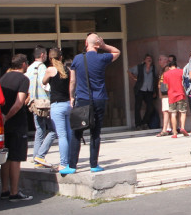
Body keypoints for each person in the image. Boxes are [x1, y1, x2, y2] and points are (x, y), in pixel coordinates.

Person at [69, 33, 120, 173]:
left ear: (86, 43)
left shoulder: (77, 59)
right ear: (97, 45)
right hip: (99, 98)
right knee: (95, 132)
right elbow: (117, 52)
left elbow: (72, 81)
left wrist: (71, 97)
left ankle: (72, 165)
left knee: (76, 132)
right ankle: (93, 164)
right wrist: (103, 46)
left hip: (82, 98)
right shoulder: (102, 58)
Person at [0, 54, 33, 202]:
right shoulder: (23, 79)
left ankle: (4, 190)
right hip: (17, 123)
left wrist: (3, 117)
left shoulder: (3, 78)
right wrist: (7, 116)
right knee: (15, 158)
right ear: (23, 64)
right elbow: (19, 103)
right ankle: (14, 192)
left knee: (6, 158)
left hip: (4, 125)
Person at [45, 48, 75, 176]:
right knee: (69, 134)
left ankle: (63, 163)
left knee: (62, 136)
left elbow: (43, 81)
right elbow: (72, 82)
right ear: (61, 57)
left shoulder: (50, 70)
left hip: (57, 105)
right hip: (67, 104)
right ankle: (71, 161)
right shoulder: (68, 70)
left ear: (50, 58)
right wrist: (71, 97)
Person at [26, 45, 55, 167]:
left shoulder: (29, 68)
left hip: (34, 103)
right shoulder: (42, 67)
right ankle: (40, 156)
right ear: (42, 55)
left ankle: (35, 157)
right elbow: (45, 84)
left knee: (39, 130)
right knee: (53, 130)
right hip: (44, 103)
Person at [129, 54, 159, 130]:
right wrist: (134, 78)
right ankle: (138, 124)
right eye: (147, 58)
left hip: (149, 90)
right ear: (144, 60)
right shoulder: (139, 67)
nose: (149, 59)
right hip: (140, 89)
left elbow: (155, 79)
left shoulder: (154, 68)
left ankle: (144, 122)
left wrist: (155, 91)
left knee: (150, 107)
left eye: (150, 58)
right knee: (138, 107)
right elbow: (129, 71)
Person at [162, 55, 188, 138]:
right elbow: (185, 82)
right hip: (181, 94)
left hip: (171, 96)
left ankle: (174, 133)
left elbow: (166, 86)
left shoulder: (166, 74)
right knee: (183, 112)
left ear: (169, 67)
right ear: (176, 66)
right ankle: (182, 127)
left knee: (173, 113)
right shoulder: (181, 71)